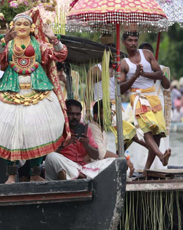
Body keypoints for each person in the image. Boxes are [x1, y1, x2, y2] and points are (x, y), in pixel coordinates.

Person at [0, 12, 69, 184]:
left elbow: (61, 55)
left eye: (25, 24)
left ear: (32, 27)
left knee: (39, 131)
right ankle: (11, 175)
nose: (22, 27)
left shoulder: (40, 45)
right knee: (9, 132)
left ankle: (35, 174)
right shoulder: (8, 45)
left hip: (37, 91)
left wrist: (53, 38)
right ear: (13, 27)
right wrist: (3, 40)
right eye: (18, 24)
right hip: (11, 92)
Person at [119, 32, 171, 171]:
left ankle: (147, 169)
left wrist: (143, 74)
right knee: (147, 130)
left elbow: (160, 74)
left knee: (158, 133)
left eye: (135, 40)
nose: (133, 43)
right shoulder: (124, 63)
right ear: (124, 43)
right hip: (137, 97)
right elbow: (121, 89)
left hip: (153, 96)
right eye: (129, 40)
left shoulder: (147, 54)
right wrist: (135, 76)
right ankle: (161, 156)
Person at [44, 100, 115, 180]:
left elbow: (95, 156)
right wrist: (63, 145)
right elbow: (46, 156)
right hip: (65, 165)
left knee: (111, 161)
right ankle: (76, 174)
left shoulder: (86, 129)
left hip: (81, 167)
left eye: (77, 114)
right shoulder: (57, 129)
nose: (75, 117)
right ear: (65, 114)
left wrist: (87, 145)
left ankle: (70, 175)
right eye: (71, 114)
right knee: (51, 156)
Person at [89, 100, 134, 175]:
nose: (109, 117)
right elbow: (101, 154)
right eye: (106, 114)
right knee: (122, 164)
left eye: (110, 114)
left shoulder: (101, 129)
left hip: (98, 165)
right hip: (92, 166)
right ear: (96, 116)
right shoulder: (93, 128)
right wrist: (123, 159)